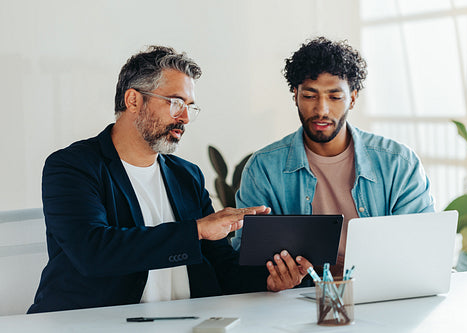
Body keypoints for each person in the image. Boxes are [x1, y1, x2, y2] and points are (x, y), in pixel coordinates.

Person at [28, 46, 312, 314]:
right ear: (133, 100)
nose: (185, 117)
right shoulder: (71, 167)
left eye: (190, 106)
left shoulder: (185, 175)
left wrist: (270, 280)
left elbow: (222, 268)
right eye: (176, 103)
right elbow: (94, 251)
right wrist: (196, 230)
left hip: (188, 321)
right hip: (93, 324)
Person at [232, 37, 435, 277]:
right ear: (295, 95)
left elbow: (422, 249)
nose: (322, 110)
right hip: (297, 299)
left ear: (353, 97)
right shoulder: (263, 169)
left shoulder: (399, 164)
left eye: (335, 97)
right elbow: (245, 258)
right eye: (309, 96)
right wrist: (272, 279)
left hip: (384, 291)